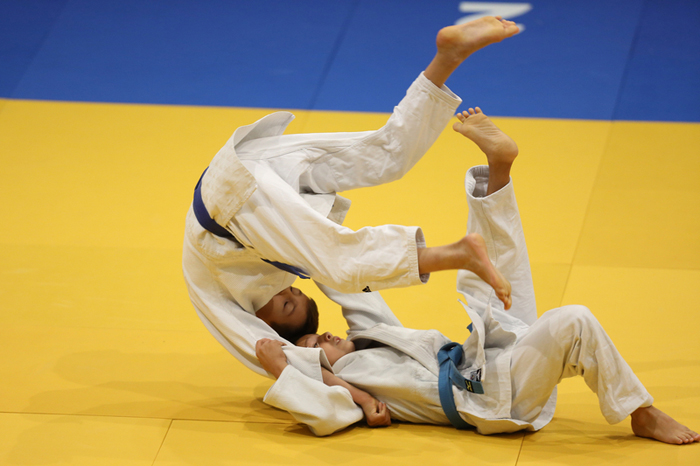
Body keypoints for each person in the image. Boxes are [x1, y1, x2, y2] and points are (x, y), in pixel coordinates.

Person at [256, 108, 700, 445]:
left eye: (319, 335)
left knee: (496, 268)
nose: (326, 339)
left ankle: (498, 169)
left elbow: (342, 275)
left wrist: (305, 238)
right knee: (574, 319)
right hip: (490, 396)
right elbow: (317, 401)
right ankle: (640, 411)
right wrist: (285, 367)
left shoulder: (372, 334)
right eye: (316, 348)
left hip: (486, 351)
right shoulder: (348, 383)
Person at [182, 17, 518, 377]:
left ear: (270, 328)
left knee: (337, 265)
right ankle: (448, 57)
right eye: (295, 298)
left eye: (285, 306)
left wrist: (348, 390)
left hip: (229, 197)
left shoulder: (221, 303)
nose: (288, 294)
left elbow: (281, 362)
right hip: (257, 163)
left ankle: (456, 254)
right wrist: (397, 343)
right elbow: (358, 295)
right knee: (387, 156)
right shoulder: (282, 262)